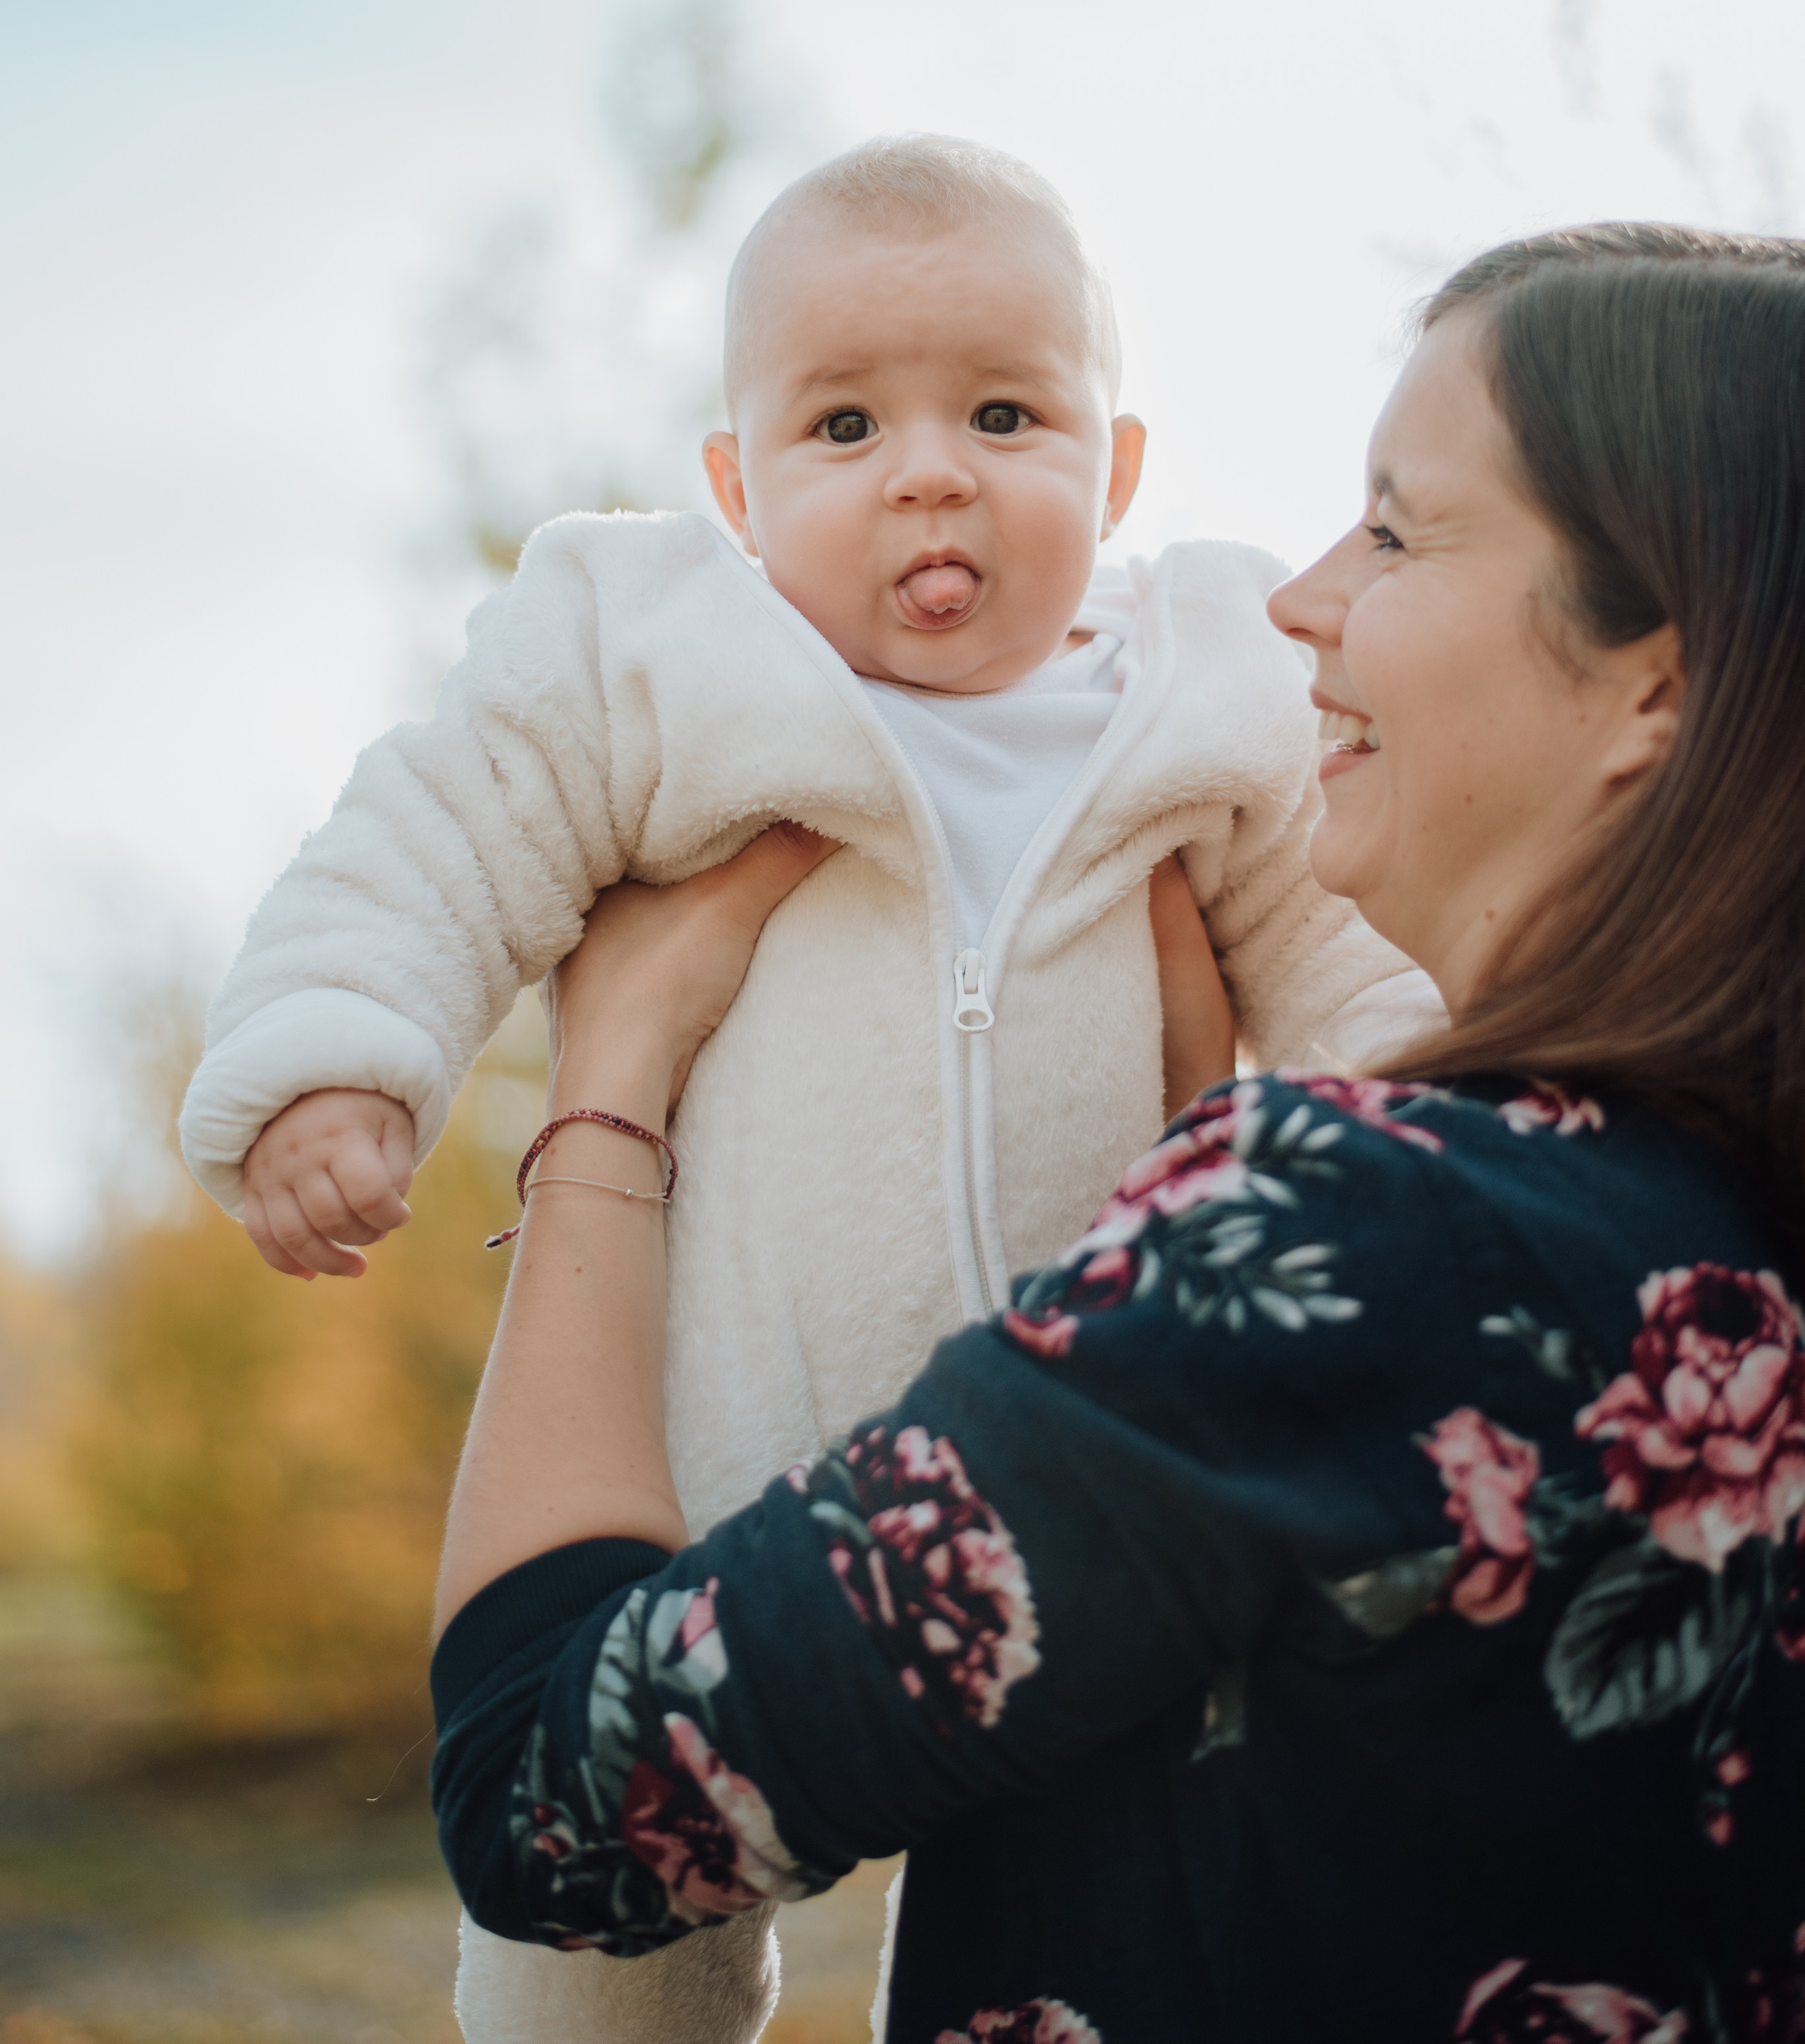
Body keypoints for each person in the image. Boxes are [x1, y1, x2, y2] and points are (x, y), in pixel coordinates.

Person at [429, 224, 1805, 2043]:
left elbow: (555, 1798)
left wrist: (607, 1093)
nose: (1301, 597)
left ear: (1656, 679)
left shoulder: (1350, 1245)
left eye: (1395, 528)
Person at [178, 133, 1433, 2040]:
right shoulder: (651, 650)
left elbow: (1353, 961)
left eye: (1005, 412)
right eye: (842, 426)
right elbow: (439, 829)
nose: (929, 467)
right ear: (735, 489)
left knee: (1122, 1880)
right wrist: (339, 1055)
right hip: (718, 1428)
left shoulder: (1207, 690)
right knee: (607, 1930)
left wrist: (1451, 1143)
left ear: (1117, 470)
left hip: (1091, 1453)